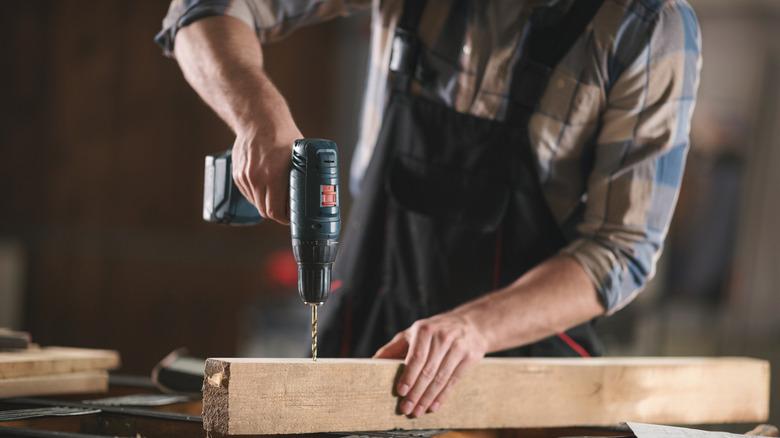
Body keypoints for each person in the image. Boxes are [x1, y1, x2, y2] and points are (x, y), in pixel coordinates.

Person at [156, 0, 701, 419]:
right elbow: (198, 12)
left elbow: (622, 249)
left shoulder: (646, 25)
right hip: (365, 341)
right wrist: (258, 115)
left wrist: (473, 329)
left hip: (517, 379)